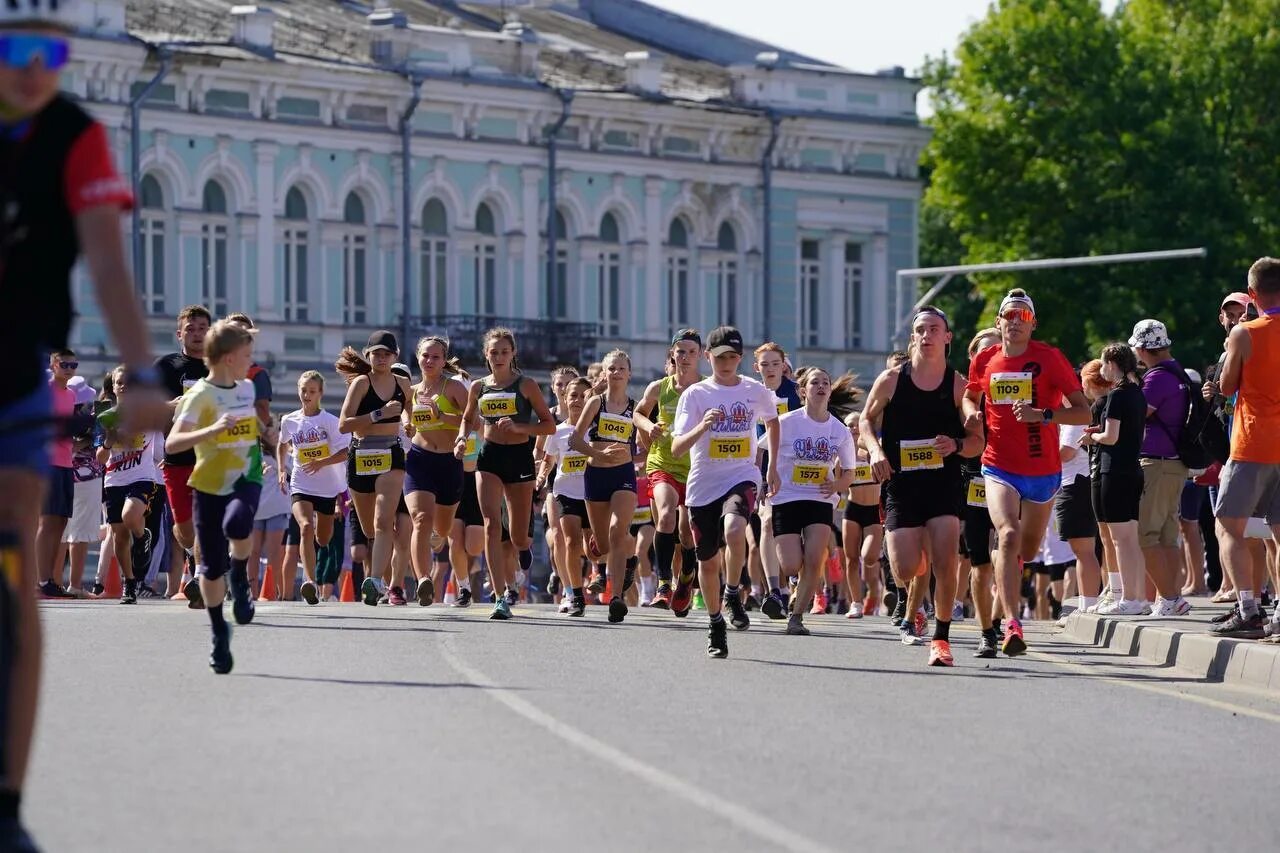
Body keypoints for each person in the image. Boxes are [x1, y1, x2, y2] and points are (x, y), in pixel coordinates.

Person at [0, 5, 157, 844]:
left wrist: (138, 369)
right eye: (16, 49)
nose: (35, 66)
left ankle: (9, 801)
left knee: (15, 561)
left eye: (52, 51)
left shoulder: (76, 135)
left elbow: (104, 256)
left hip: (16, 372)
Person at [963, 288, 1090, 656]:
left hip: (1043, 469)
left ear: (1032, 325)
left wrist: (1044, 415)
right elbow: (971, 394)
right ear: (999, 322)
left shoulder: (1049, 359)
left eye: (1023, 317)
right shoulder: (985, 358)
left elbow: (1084, 413)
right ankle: (1011, 624)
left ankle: (1008, 579)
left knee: (1027, 550)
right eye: (1010, 316)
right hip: (998, 464)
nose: (1015, 323)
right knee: (1007, 535)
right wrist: (970, 412)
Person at [862, 308, 983, 666]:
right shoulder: (891, 380)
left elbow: (978, 439)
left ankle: (941, 638)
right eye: (920, 330)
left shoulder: (958, 384)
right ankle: (914, 599)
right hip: (901, 485)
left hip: (942, 484)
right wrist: (874, 450)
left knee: (946, 560)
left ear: (947, 337)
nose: (927, 335)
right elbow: (867, 419)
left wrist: (958, 446)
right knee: (906, 566)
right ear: (912, 338)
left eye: (934, 329)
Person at [671, 326, 780, 659]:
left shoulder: (754, 390)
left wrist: (772, 466)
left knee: (735, 529)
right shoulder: (696, 395)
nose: (726, 363)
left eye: (732, 357)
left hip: (741, 475)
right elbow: (676, 447)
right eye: (720, 357)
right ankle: (716, 621)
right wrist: (703, 426)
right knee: (707, 561)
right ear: (708, 357)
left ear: (741, 358)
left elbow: (773, 421)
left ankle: (733, 591)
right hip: (703, 484)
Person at [165, 320, 263, 673]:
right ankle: (219, 631)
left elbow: (248, 427)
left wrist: (264, 440)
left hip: (245, 476)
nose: (250, 361)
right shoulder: (200, 396)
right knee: (208, 568)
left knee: (238, 524)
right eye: (246, 355)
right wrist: (211, 430)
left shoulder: (248, 388)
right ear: (225, 358)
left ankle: (239, 575)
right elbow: (172, 443)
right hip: (207, 483)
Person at [456, 328, 555, 620]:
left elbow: (548, 425)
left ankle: (524, 549)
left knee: (517, 535)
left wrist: (520, 428)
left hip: (519, 458)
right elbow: (467, 418)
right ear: (486, 355)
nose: (498, 357)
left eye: (504, 351)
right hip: (490, 458)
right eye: (493, 352)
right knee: (490, 524)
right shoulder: (479, 387)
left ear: (513, 354)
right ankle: (499, 596)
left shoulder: (526, 385)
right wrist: (462, 439)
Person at [1211, 258, 1280, 640]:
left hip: (1253, 443)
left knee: (1229, 529)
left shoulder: (1244, 333)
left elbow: (1225, 386)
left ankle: (1249, 611)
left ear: (1252, 296)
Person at [767, 367, 858, 636]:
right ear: (802, 390)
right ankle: (794, 583)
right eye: (814, 382)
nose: (821, 386)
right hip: (787, 497)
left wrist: (838, 485)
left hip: (820, 498)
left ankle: (796, 617)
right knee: (791, 564)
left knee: (815, 556)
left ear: (830, 390)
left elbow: (850, 472)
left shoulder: (838, 430)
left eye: (825, 383)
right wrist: (768, 477)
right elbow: (762, 452)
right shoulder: (785, 423)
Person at [570, 350, 651, 623]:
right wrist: (599, 455)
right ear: (604, 373)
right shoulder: (595, 402)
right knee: (602, 545)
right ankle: (628, 561)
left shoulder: (635, 407)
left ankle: (615, 598)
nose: (615, 373)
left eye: (620, 368)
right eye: (611, 369)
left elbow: (647, 448)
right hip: (595, 474)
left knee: (618, 532)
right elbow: (574, 440)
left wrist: (634, 456)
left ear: (629, 373)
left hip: (623, 476)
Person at [336, 331, 413, 607]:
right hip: (361, 453)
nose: (381, 358)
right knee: (370, 529)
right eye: (376, 353)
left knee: (383, 521)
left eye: (386, 354)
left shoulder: (403, 384)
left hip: (390, 452)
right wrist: (379, 414)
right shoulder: (360, 383)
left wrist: (409, 422)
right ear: (368, 356)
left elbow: (409, 413)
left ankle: (378, 581)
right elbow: (344, 425)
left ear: (395, 356)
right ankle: (381, 575)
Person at [1128, 319, 1194, 617]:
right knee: (1167, 535)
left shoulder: (1157, 379)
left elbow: (1137, 416)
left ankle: (1169, 598)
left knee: (1146, 534)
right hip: (1174, 464)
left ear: (1143, 349)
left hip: (1157, 463)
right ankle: (1173, 597)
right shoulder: (1177, 371)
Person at [638, 330, 703, 613]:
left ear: (700, 355)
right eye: (680, 352)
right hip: (663, 462)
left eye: (691, 352)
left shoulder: (706, 388)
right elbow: (638, 413)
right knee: (664, 516)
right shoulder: (659, 387)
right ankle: (663, 584)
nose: (685, 357)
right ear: (672, 355)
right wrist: (648, 426)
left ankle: (686, 580)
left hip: (697, 468)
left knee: (687, 535)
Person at [1081, 344, 1148, 615]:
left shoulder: (1118, 395)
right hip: (1132, 469)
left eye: (1104, 363)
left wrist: (1092, 436)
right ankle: (1139, 598)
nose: (1102, 369)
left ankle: (1129, 599)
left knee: (1120, 539)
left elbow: (1111, 436)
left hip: (1115, 470)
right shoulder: (1137, 393)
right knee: (1130, 538)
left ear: (1113, 363)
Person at [403, 337, 467, 607]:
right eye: (425, 356)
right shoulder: (411, 390)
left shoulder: (452, 387)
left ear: (444, 360)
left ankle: (436, 539)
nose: (429, 361)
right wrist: (407, 423)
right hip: (420, 459)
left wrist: (441, 415)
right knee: (420, 518)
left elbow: (471, 419)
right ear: (417, 357)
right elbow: (407, 414)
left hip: (449, 462)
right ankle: (423, 580)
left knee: (441, 529)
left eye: (435, 357)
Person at [156, 305, 213, 607]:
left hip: (211, 454)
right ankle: (195, 556)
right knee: (185, 528)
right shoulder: (166, 366)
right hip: (176, 454)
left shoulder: (219, 366)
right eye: (190, 328)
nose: (197, 333)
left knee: (204, 518)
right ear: (180, 333)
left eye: (202, 327)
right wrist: (173, 405)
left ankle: (202, 577)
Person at [279, 371, 350, 606]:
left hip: (328, 489)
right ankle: (308, 581)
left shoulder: (330, 422)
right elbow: (282, 444)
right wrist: (282, 469)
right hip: (301, 483)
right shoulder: (289, 420)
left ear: (320, 394)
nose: (306, 395)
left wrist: (322, 462)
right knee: (306, 527)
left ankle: (314, 572)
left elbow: (345, 452)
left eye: (311, 391)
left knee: (324, 538)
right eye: (303, 390)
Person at [97, 367, 164, 605]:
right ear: (113, 388)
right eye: (119, 382)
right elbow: (100, 459)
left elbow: (158, 450)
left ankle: (142, 535)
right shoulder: (106, 417)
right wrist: (108, 442)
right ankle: (129, 583)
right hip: (114, 479)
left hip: (142, 476)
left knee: (130, 515)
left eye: (128, 382)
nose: (123, 385)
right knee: (119, 537)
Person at [752, 343, 804, 619]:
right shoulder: (753, 393)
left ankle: (794, 583)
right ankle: (774, 591)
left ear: (784, 365)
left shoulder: (797, 392)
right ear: (756, 367)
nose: (770, 369)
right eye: (764, 364)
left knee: (796, 531)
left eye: (775, 364)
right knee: (767, 523)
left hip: (800, 467)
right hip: (766, 468)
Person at [539, 377, 591, 616]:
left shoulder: (596, 430)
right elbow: (548, 459)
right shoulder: (557, 431)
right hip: (564, 492)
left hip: (592, 495)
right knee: (568, 541)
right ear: (565, 399)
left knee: (593, 549)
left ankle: (604, 570)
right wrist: (541, 477)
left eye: (583, 396)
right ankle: (573, 594)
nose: (577, 400)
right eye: (573, 396)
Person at [1055, 364, 1102, 614]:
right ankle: (1091, 601)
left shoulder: (1074, 417)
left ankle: (1088, 604)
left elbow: (1065, 453)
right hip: (1079, 482)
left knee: (1083, 550)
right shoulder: (1077, 415)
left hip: (1077, 484)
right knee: (1085, 549)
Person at [35, 350, 78, 597]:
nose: (69, 368)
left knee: (60, 521)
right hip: (48, 461)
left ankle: (50, 579)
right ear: (53, 364)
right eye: (64, 364)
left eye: (74, 364)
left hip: (66, 462)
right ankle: (40, 581)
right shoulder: (45, 391)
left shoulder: (71, 395)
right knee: (47, 520)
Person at [59, 376, 102, 595]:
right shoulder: (92, 419)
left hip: (60, 476)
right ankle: (75, 585)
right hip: (88, 477)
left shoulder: (57, 416)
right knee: (80, 534)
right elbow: (98, 448)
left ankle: (53, 582)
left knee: (60, 532)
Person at [841, 412, 883, 619]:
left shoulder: (875, 450)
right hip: (853, 508)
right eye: (849, 425)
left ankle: (875, 592)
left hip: (874, 510)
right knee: (851, 559)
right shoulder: (842, 453)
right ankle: (856, 603)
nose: (854, 428)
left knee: (869, 557)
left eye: (857, 424)